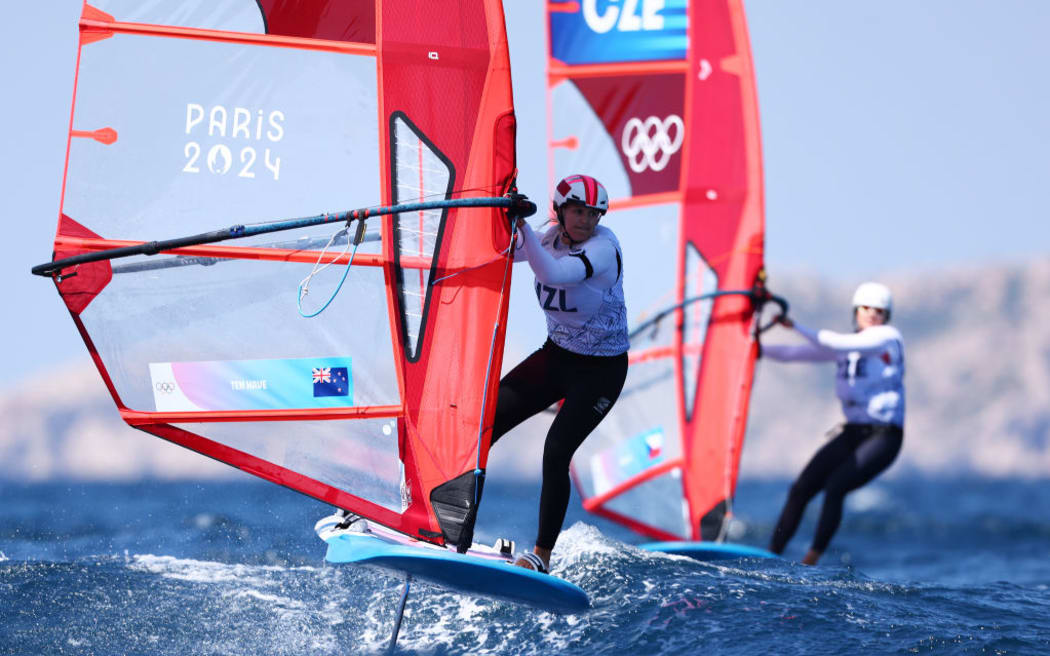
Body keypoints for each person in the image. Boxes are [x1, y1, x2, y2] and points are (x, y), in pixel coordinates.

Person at [490, 174, 630, 573]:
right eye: (577, 211)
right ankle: (447, 519)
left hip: (601, 372)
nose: (586, 219)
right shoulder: (548, 237)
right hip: (557, 356)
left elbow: (552, 274)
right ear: (560, 211)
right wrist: (500, 219)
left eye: (592, 213)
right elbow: (500, 250)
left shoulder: (604, 247)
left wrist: (520, 226)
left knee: (555, 452)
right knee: (485, 422)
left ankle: (541, 556)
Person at [762, 282, 905, 565]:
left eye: (880, 310)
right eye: (867, 309)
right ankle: (771, 556)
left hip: (884, 437)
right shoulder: (848, 347)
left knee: (836, 486)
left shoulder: (887, 338)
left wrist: (795, 326)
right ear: (856, 311)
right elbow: (795, 354)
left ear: (887, 316)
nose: (873, 315)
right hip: (853, 433)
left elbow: (833, 342)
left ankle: (810, 560)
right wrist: (755, 349)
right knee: (800, 488)